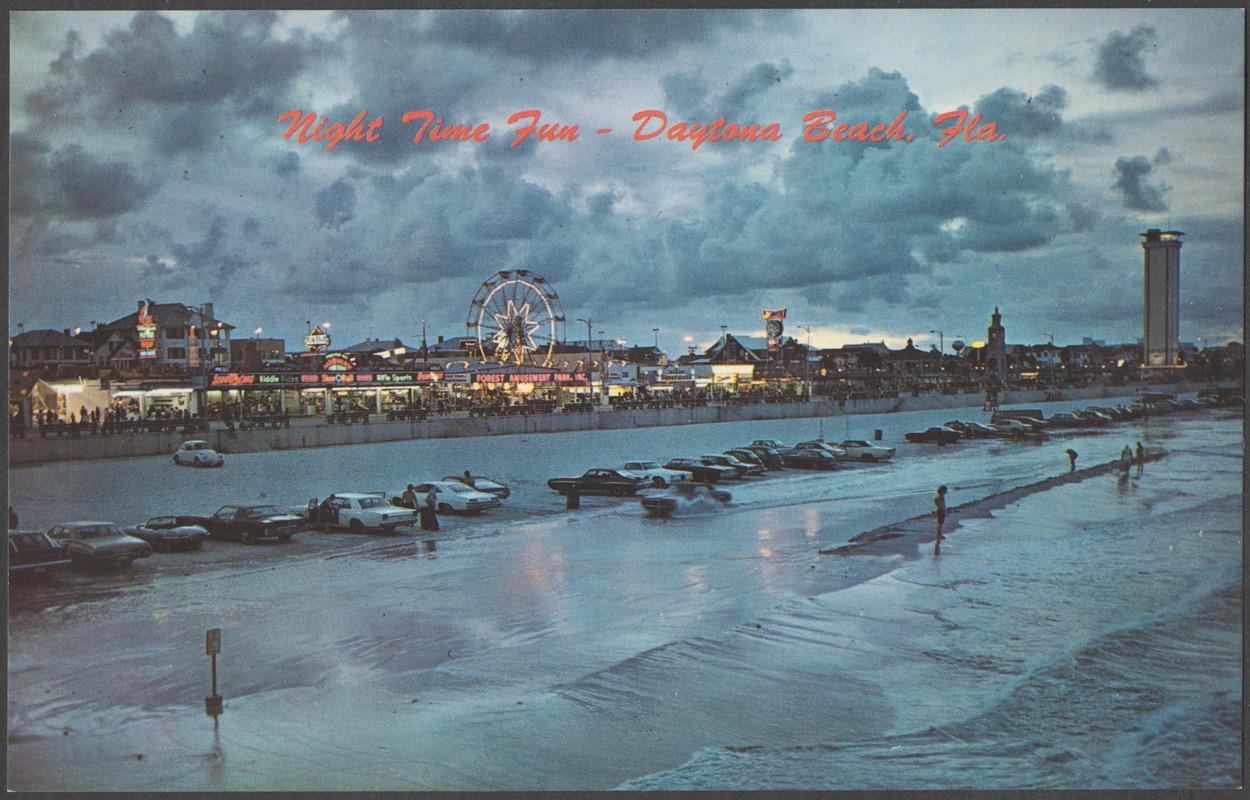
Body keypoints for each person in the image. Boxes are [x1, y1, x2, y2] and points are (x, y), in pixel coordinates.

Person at [934, 486, 948, 554]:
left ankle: (939, 535)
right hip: (941, 511)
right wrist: (942, 509)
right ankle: (938, 535)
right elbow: (941, 504)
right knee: (940, 524)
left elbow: (935, 501)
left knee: (940, 524)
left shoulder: (939, 497)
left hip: (940, 510)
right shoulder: (941, 497)